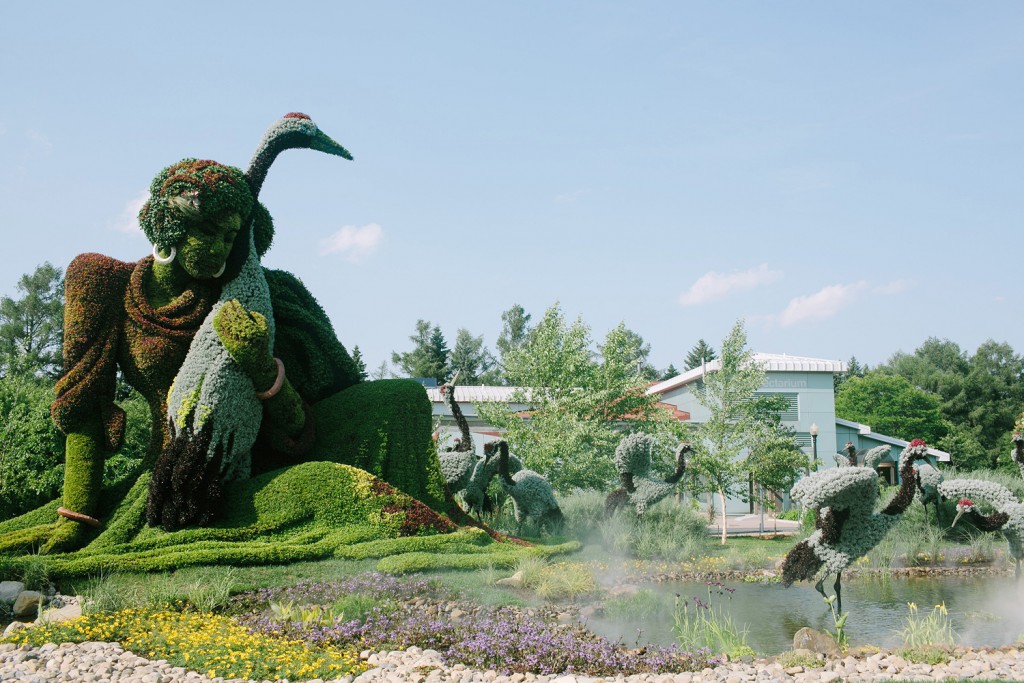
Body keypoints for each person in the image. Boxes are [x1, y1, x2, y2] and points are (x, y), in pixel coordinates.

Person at [13, 156, 442, 553]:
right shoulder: (104, 281)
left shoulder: (254, 298)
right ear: (169, 225)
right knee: (333, 489)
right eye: (208, 232)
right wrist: (76, 517)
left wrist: (259, 367)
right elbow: (83, 407)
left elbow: (300, 430)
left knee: (402, 399)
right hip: (170, 481)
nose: (219, 248)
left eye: (229, 236)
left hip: (251, 470)